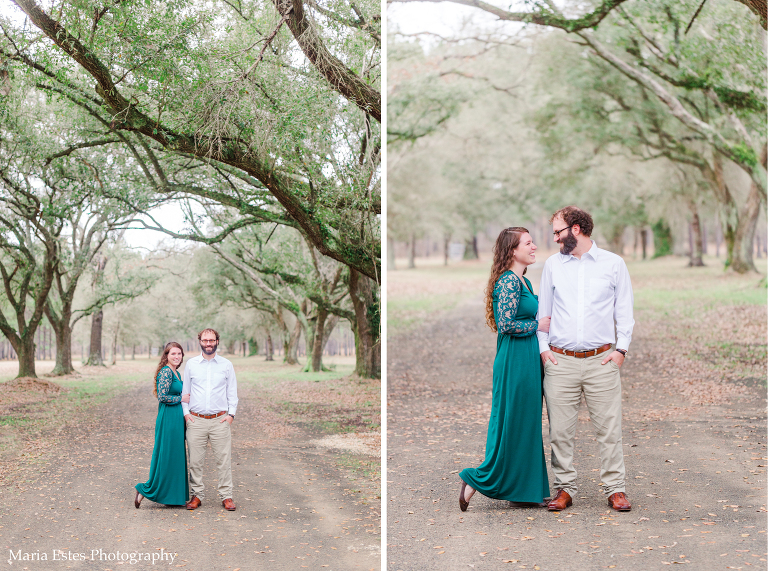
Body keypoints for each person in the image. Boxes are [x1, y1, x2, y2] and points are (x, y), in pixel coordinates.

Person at [537, 206, 634, 512]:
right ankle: (564, 489)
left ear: (575, 229)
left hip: (602, 360)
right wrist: (544, 350)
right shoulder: (553, 265)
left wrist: (621, 351)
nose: (554, 238)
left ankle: (615, 489)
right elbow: (544, 312)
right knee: (560, 432)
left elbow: (624, 311)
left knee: (609, 428)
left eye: (557, 231)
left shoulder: (613, 264)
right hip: (560, 361)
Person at [458, 227, 551, 511]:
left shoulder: (524, 281)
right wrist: (538, 325)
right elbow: (505, 324)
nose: (534, 246)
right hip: (515, 361)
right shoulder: (508, 282)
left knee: (526, 422)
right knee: (512, 422)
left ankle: (523, 490)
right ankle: (475, 479)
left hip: (528, 358)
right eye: (528, 243)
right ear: (512, 250)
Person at [182, 328, 239, 511]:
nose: (208, 343)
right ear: (200, 341)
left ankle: (226, 496)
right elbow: (185, 392)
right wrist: (186, 414)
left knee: (223, 460)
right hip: (196, 420)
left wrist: (231, 415)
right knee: (195, 461)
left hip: (220, 420)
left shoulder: (226, 365)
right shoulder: (191, 364)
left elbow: (232, 392)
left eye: (212, 340)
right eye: (205, 340)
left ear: (217, 342)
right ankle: (197, 495)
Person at [135, 342, 190, 508]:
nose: (176, 357)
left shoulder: (177, 373)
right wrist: (181, 399)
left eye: (179, 354)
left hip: (177, 418)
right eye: (173, 354)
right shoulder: (166, 372)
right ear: (166, 355)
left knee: (175, 456)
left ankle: (172, 496)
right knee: (166, 455)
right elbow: (162, 396)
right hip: (168, 418)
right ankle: (145, 490)